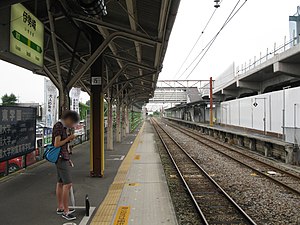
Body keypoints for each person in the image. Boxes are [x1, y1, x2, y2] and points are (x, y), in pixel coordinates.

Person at [52, 110, 79, 221]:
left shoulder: (62, 127)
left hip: (62, 157)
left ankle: (60, 207)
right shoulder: (59, 126)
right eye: (72, 123)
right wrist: (69, 138)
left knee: (60, 183)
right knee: (68, 184)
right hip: (60, 158)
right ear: (68, 119)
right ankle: (66, 212)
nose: (72, 125)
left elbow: (63, 146)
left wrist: (68, 158)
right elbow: (57, 144)